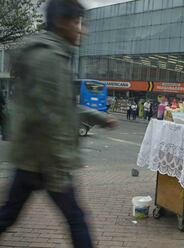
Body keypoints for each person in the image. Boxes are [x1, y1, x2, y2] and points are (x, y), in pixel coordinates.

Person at [0, 1, 117, 247]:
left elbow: (63, 106)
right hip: (44, 159)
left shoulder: (55, 55)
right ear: (61, 23)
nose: (81, 30)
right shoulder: (48, 59)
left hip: (34, 159)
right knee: (76, 219)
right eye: (77, 23)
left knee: (9, 215)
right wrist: (58, 168)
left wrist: (100, 118)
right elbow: (46, 116)